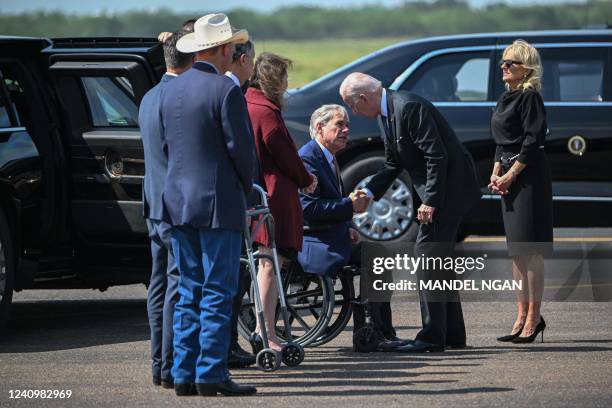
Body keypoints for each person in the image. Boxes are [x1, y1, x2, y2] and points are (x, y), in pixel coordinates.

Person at [339, 72, 481, 353]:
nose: (353, 113)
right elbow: (393, 162)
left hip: (450, 191)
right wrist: (368, 193)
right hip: (440, 191)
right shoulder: (386, 112)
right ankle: (451, 334)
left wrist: (430, 201)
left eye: (352, 106)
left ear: (364, 98)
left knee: (427, 254)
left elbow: (435, 155)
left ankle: (431, 337)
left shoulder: (408, 107)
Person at [161, 13, 256, 396]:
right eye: (231, 46)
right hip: (217, 203)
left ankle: (185, 374)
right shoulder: (224, 90)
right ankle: (210, 373)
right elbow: (241, 151)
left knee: (189, 289)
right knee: (218, 290)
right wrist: (245, 189)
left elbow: (169, 147)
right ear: (219, 49)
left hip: (178, 200)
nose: (234, 51)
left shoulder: (171, 89)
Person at [297, 104, 406, 351]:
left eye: (347, 125)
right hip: (315, 242)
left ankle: (379, 330)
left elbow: (328, 202)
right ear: (319, 127)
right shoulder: (308, 158)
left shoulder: (326, 156)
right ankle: (369, 332)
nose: (346, 130)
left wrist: (348, 225)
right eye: (339, 125)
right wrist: (349, 205)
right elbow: (309, 209)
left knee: (378, 255)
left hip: (330, 235)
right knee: (375, 256)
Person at [245, 52, 317, 352]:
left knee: (268, 263)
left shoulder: (248, 103)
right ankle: (266, 333)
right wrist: (306, 179)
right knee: (270, 265)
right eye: (284, 76)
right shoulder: (265, 112)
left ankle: (266, 331)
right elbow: (286, 156)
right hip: (274, 197)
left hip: (260, 193)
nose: (288, 83)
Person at [139, 30, 193, 389]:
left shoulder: (149, 96)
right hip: (175, 207)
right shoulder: (180, 100)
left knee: (159, 286)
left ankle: (159, 364)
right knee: (176, 286)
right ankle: (170, 364)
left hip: (153, 202)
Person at [489, 40, 552, 344]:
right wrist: (496, 172)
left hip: (528, 179)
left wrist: (511, 174)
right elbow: (502, 141)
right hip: (509, 178)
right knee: (516, 251)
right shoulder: (506, 97)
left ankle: (534, 318)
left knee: (530, 249)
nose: (504, 67)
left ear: (525, 68)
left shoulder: (530, 98)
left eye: (510, 63)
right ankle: (520, 315)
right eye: (503, 62)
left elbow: (532, 142)